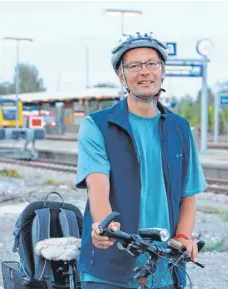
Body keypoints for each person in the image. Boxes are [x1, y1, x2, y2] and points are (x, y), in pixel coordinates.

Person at [76, 32, 207, 289]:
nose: (144, 72)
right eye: (134, 66)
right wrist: (104, 226)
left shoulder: (179, 128)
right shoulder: (97, 126)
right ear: (121, 76)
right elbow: (97, 186)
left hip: (166, 267)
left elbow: (188, 195)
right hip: (110, 271)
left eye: (151, 64)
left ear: (162, 71)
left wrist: (182, 236)